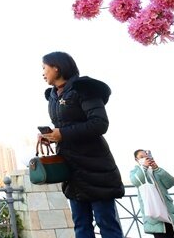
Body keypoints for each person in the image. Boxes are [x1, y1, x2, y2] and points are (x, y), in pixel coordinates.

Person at [38, 51, 124, 238]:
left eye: (44, 68)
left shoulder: (84, 88)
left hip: (95, 168)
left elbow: (99, 124)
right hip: (71, 170)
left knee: (106, 224)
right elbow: (63, 126)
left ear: (56, 67)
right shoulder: (52, 95)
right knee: (81, 225)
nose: (42, 73)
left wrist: (63, 133)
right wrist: (50, 135)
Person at [130, 149, 174, 238]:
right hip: (153, 210)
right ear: (136, 159)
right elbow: (136, 181)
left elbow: (170, 182)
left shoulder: (155, 170)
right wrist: (144, 167)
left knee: (171, 232)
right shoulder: (135, 171)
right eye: (141, 157)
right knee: (160, 233)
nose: (145, 158)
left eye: (146, 156)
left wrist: (157, 169)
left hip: (167, 210)